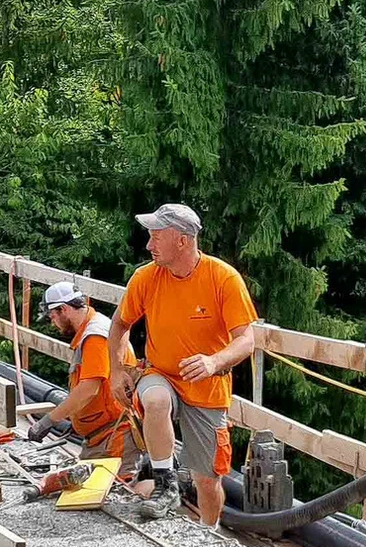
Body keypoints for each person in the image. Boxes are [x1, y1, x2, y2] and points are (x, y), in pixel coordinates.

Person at [107, 203, 258, 526]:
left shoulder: (223, 279)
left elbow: (246, 340)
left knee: (207, 479)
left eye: (156, 237)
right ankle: (165, 484)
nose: (149, 245)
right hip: (160, 373)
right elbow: (120, 324)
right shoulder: (146, 278)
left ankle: (209, 531)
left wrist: (214, 361)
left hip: (208, 388)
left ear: (182, 240)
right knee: (155, 399)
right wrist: (117, 370)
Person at [28, 281, 142, 476]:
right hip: (105, 435)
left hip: (115, 435)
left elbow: (89, 388)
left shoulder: (95, 337)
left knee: (117, 493)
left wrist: (47, 422)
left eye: (53, 317)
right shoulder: (96, 327)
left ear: (63, 309)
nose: (53, 323)